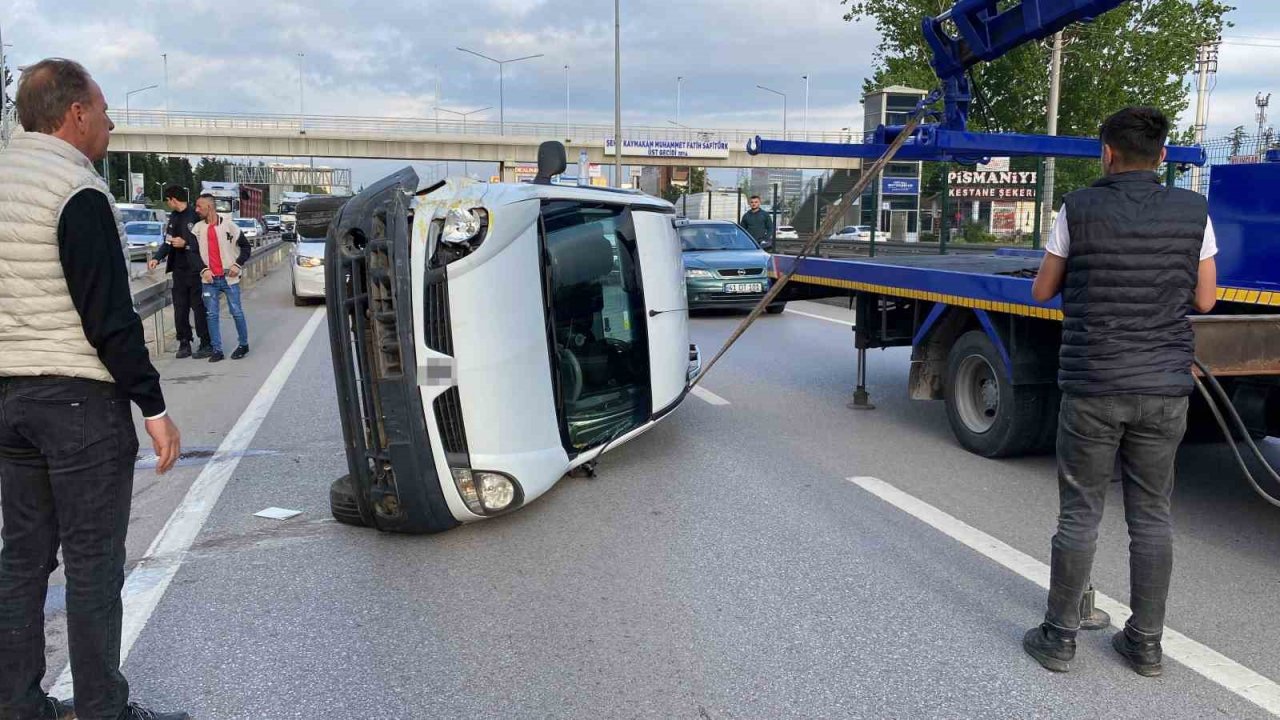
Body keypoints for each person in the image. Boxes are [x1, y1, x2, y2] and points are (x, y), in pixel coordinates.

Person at [0, 58, 189, 720]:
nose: (110, 124)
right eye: (105, 112)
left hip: (9, 402)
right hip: (77, 402)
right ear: (75, 114)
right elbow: (108, 316)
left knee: (21, 562)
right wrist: (154, 406)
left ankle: (18, 706)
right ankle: (103, 710)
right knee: (91, 568)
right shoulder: (74, 190)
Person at [1023, 106, 1218, 677]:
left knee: (1081, 511)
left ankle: (1058, 638)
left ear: (1106, 153)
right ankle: (1146, 644)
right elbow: (1205, 301)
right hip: (1163, 388)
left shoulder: (1079, 208)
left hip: (1094, 383)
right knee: (1152, 516)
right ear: (1162, 156)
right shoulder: (1194, 211)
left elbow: (1042, 290)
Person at [149, 186, 212, 359]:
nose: (168, 204)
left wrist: (185, 244)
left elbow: (204, 242)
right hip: (178, 269)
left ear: (173, 199)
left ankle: (205, 341)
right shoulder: (174, 218)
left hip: (196, 269)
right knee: (180, 307)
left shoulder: (195, 215)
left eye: (167, 201)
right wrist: (157, 257)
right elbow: (168, 241)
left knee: (198, 307)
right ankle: (184, 341)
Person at [191, 193, 252, 362]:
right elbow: (193, 253)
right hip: (209, 279)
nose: (196, 210)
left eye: (199, 207)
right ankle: (217, 349)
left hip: (229, 277)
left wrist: (237, 264)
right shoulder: (197, 229)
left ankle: (243, 344)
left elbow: (246, 248)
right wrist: (203, 269)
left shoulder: (229, 226)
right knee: (211, 314)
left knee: (236, 312)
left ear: (209, 207)